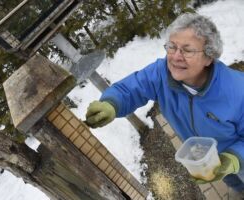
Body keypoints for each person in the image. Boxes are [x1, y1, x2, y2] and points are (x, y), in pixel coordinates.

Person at [85, 13, 244, 198]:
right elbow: (132, 88)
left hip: (236, 154)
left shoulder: (237, 91)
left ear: (209, 57)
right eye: (172, 46)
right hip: (211, 157)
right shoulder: (162, 73)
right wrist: (112, 104)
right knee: (230, 180)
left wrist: (234, 159)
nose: (176, 57)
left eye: (187, 50)